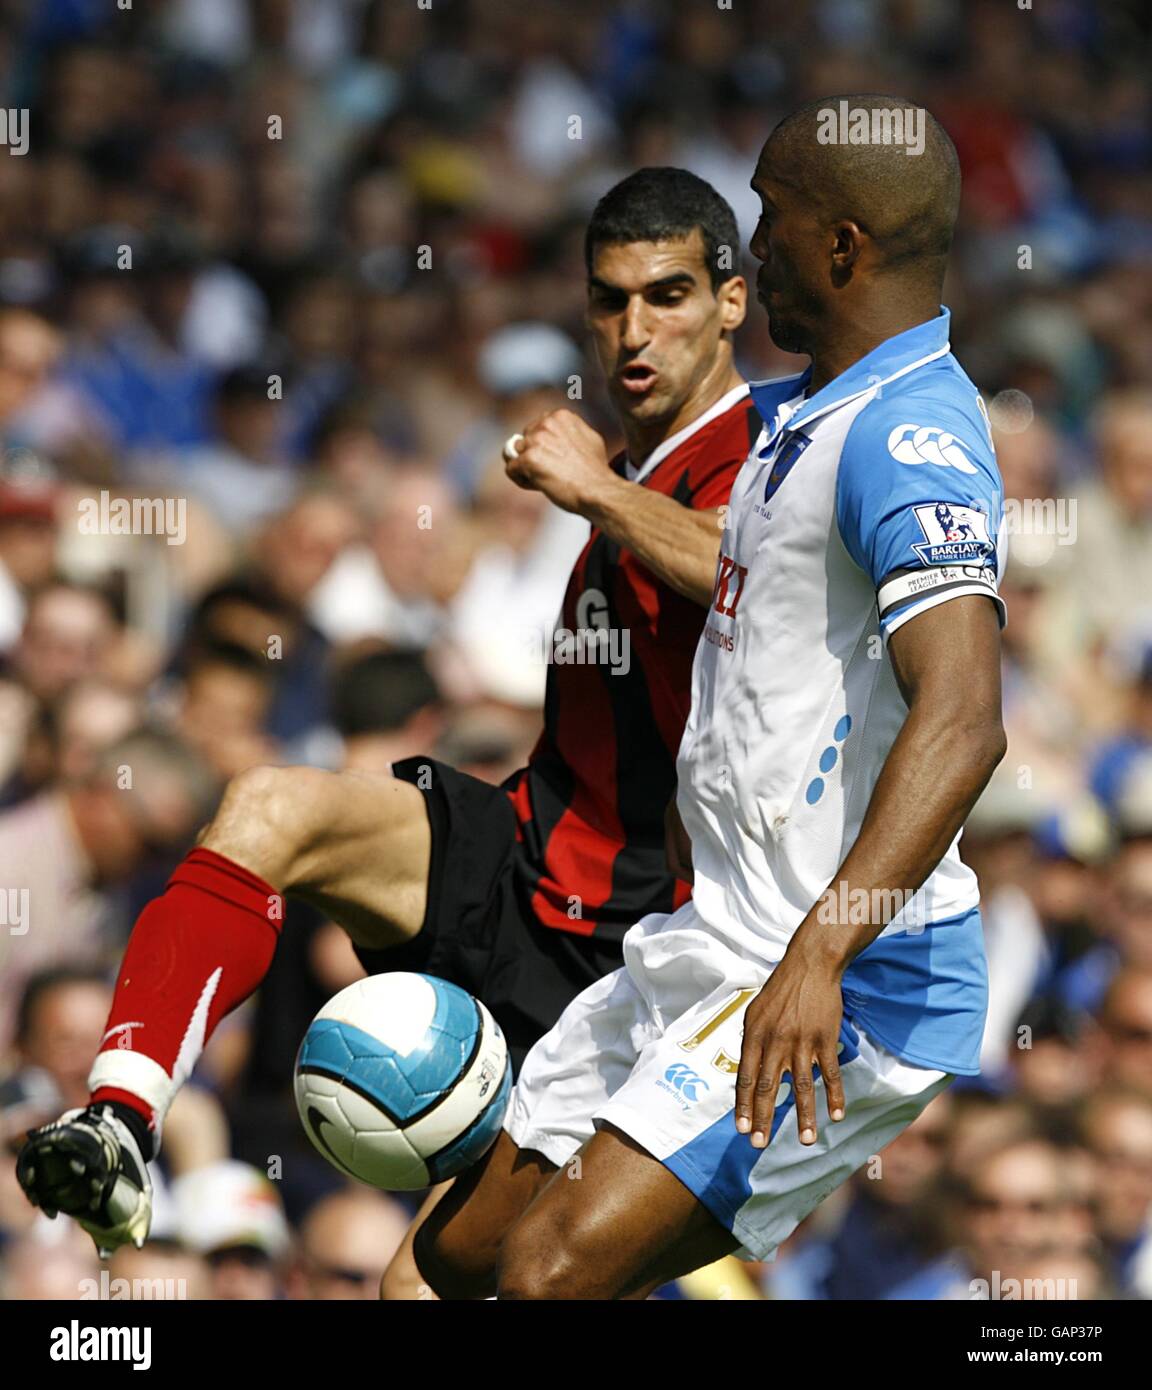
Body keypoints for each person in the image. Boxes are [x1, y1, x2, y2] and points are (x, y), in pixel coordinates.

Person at [16, 166, 756, 1259]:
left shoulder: (772, 454)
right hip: (530, 858)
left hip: (645, 949)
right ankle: (120, 1120)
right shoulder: (635, 469)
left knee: (426, 1284)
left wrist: (598, 489)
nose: (633, 329)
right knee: (271, 804)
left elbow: (757, 574)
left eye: (669, 295)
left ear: (733, 300)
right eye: (610, 300)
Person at [410, 94, 1010, 1300]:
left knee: (542, 1277)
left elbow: (964, 718)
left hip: (851, 977)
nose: (755, 245)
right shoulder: (805, 416)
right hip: (716, 937)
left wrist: (822, 953)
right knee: (448, 1263)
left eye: (770, 219)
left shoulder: (909, 436)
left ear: (840, 246)